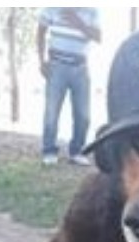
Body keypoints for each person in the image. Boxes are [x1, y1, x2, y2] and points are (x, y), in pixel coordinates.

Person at [37, 7, 101, 166]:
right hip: (56, 66)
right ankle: (49, 151)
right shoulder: (52, 8)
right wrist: (41, 61)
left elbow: (98, 37)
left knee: (83, 115)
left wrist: (78, 23)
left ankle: (77, 152)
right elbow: (40, 33)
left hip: (80, 68)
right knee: (51, 113)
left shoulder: (92, 10)